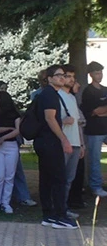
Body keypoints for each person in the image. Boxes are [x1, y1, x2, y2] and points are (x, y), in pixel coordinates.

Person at [35, 65, 78, 229]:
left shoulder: (47, 94)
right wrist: (63, 139)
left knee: (47, 179)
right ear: (50, 78)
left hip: (44, 141)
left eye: (63, 75)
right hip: (50, 142)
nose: (62, 77)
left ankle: (49, 215)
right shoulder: (50, 94)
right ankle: (59, 215)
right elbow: (50, 118)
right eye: (58, 75)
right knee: (59, 178)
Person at [59, 64, 84, 217]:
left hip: (75, 142)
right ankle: (58, 208)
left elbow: (78, 123)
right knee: (60, 178)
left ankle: (64, 207)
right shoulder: (57, 96)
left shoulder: (72, 98)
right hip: (63, 142)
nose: (71, 80)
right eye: (68, 76)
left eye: (73, 77)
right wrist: (63, 121)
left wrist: (81, 144)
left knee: (69, 178)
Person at [0, 91, 20, 214]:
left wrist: (3, 137)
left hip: (11, 146)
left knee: (10, 176)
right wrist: (8, 129)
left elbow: (18, 130)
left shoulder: (15, 114)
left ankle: (6, 202)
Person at [81, 61, 107, 198]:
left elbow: (99, 111)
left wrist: (101, 111)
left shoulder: (105, 89)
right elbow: (94, 111)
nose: (100, 75)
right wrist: (101, 111)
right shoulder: (88, 92)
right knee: (95, 159)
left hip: (105, 127)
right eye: (97, 73)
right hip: (94, 130)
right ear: (91, 74)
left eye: (101, 72)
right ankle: (95, 186)